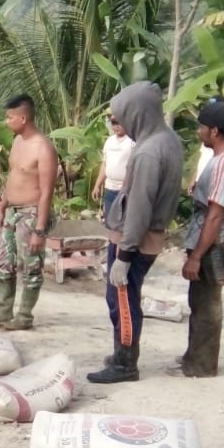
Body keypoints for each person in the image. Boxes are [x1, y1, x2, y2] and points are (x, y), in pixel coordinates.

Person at [85, 81, 185, 384]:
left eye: (122, 115)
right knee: (123, 298)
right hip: (143, 235)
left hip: (136, 239)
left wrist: (125, 254)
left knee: (123, 301)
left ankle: (126, 364)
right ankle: (122, 353)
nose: (119, 122)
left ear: (137, 113)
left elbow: (140, 206)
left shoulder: (149, 152)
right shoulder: (167, 139)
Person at [172, 102, 224, 378]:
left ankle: (201, 364)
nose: (199, 131)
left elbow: (215, 214)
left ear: (215, 131)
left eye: (202, 127)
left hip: (213, 239)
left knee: (206, 303)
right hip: (221, 235)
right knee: (201, 299)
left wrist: (196, 256)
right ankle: (195, 355)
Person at [0, 95, 58, 330]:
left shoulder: (43, 148)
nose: (7, 121)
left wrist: (39, 230)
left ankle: (24, 316)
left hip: (32, 213)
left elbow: (46, 193)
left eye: (10, 117)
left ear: (23, 118)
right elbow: (13, 177)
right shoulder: (17, 142)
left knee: (31, 265)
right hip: (12, 212)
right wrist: (2, 206)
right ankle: (2, 311)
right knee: (4, 263)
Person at [91, 116, 134, 221]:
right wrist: (97, 185)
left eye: (119, 122)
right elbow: (105, 164)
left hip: (126, 191)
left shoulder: (132, 142)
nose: (116, 126)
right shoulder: (109, 142)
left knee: (124, 223)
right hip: (110, 188)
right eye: (114, 123)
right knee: (109, 222)